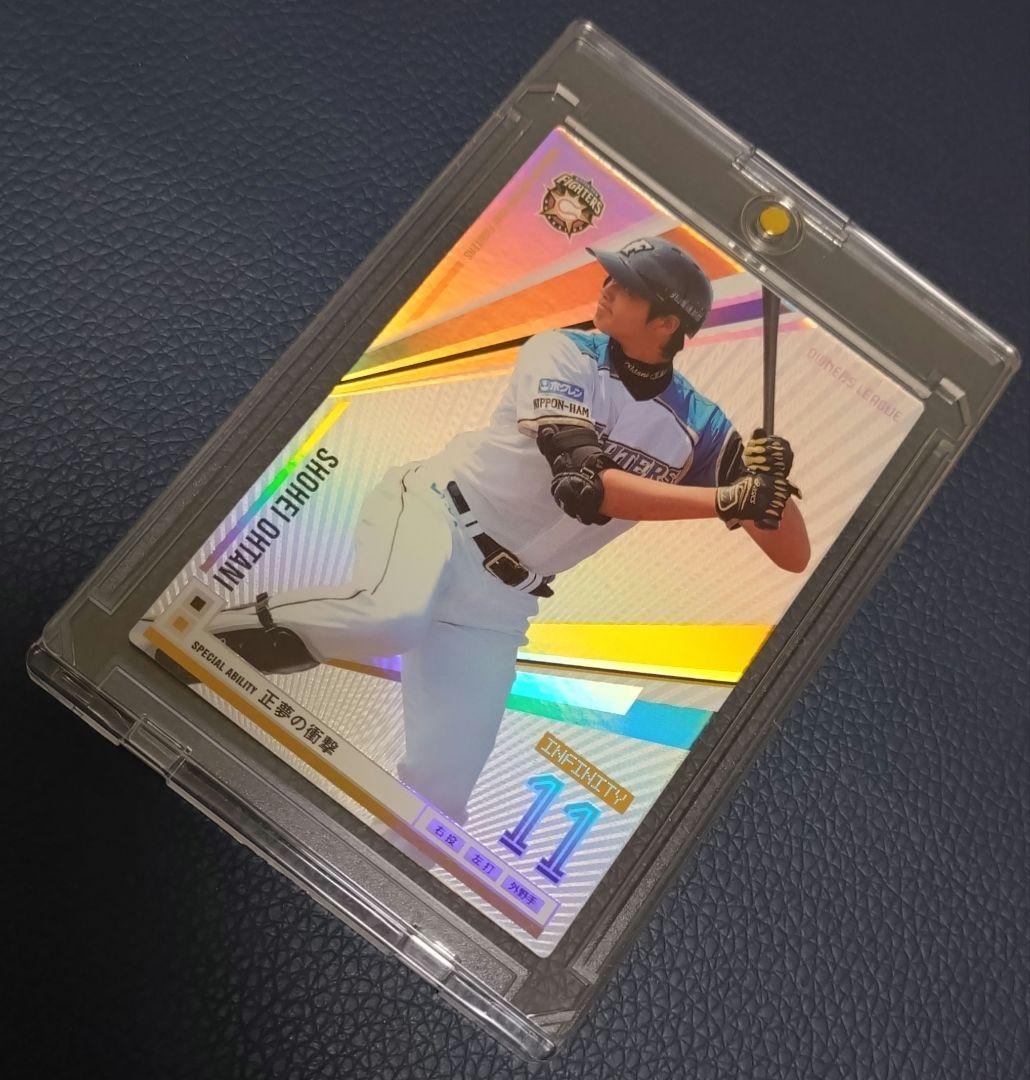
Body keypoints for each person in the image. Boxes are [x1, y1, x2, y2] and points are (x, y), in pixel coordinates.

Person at [194, 236, 810, 857]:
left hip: (501, 604)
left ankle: (365, 874)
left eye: (627, 287)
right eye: (612, 278)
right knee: (389, 617)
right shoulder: (563, 351)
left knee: (440, 800)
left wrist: (771, 485)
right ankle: (188, 642)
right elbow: (583, 486)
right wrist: (728, 499)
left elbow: (792, 554)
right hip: (439, 513)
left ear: (666, 323)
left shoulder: (702, 426)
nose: (607, 289)